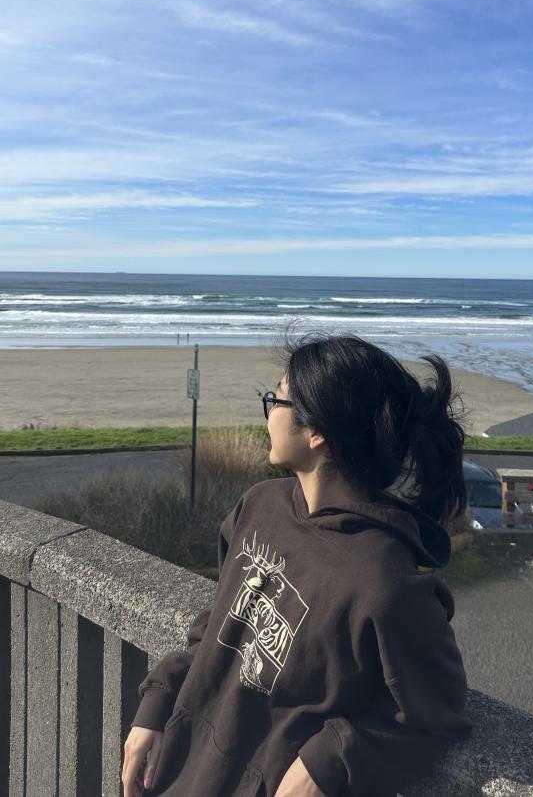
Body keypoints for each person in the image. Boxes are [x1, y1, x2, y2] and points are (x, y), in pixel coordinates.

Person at [122, 333, 473, 797]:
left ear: (318, 431)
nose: (269, 413)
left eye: (277, 399)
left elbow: (437, 711)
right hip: (179, 772)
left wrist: (332, 758)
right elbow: (218, 626)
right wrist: (160, 701)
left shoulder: (383, 581)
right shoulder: (259, 507)